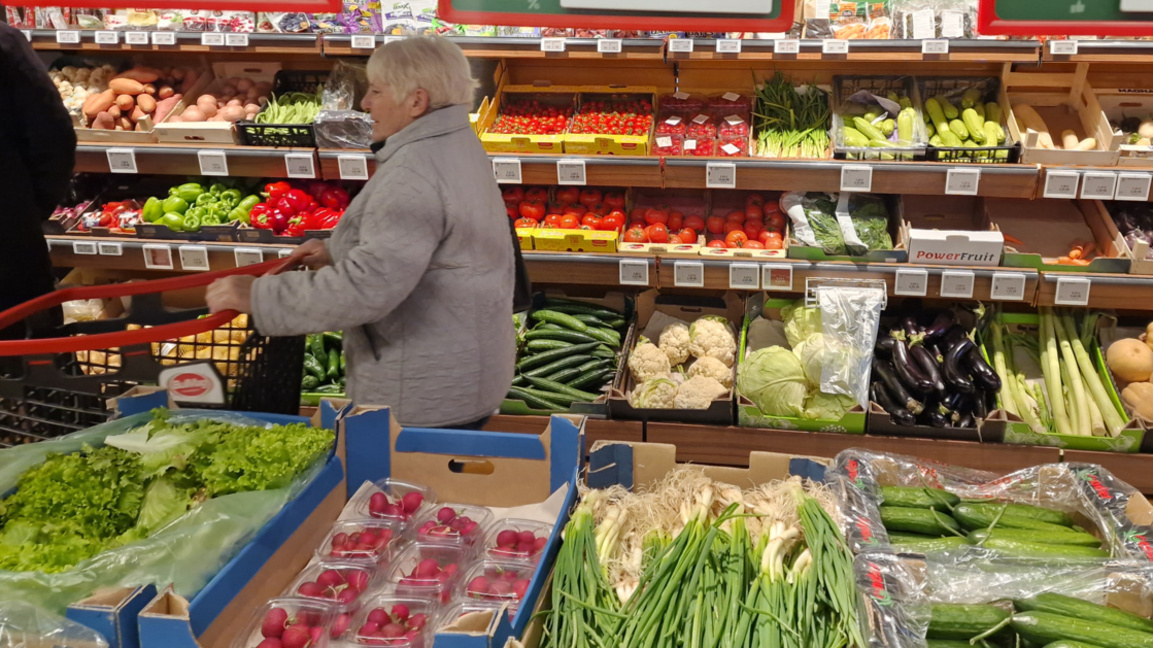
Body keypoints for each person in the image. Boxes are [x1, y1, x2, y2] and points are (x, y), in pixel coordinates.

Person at [206, 36, 515, 429]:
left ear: (416, 102)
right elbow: (432, 247)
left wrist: (259, 295)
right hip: (463, 364)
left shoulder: (413, 173)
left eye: (375, 91)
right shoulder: (455, 142)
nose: (365, 103)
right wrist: (340, 249)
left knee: (407, 485)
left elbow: (367, 289)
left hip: (423, 392)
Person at [0, 21, 77, 339]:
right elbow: (53, 136)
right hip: (8, 243)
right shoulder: (4, 44)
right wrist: (29, 210)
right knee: (32, 358)